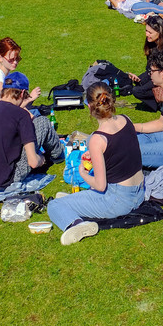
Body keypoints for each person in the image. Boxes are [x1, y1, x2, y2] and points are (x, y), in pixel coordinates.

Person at [46, 82, 145, 246]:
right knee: (75, 197)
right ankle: (75, 202)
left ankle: (77, 225)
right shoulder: (126, 120)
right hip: (139, 192)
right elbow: (121, 153)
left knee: (54, 205)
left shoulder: (97, 139)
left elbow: (100, 186)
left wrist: (83, 173)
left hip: (119, 201)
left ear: (89, 107)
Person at [0, 71, 63, 191]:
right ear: (23, 93)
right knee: (42, 122)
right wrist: (42, 159)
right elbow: (33, 162)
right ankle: (58, 155)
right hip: (4, 180)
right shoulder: (21, 115)